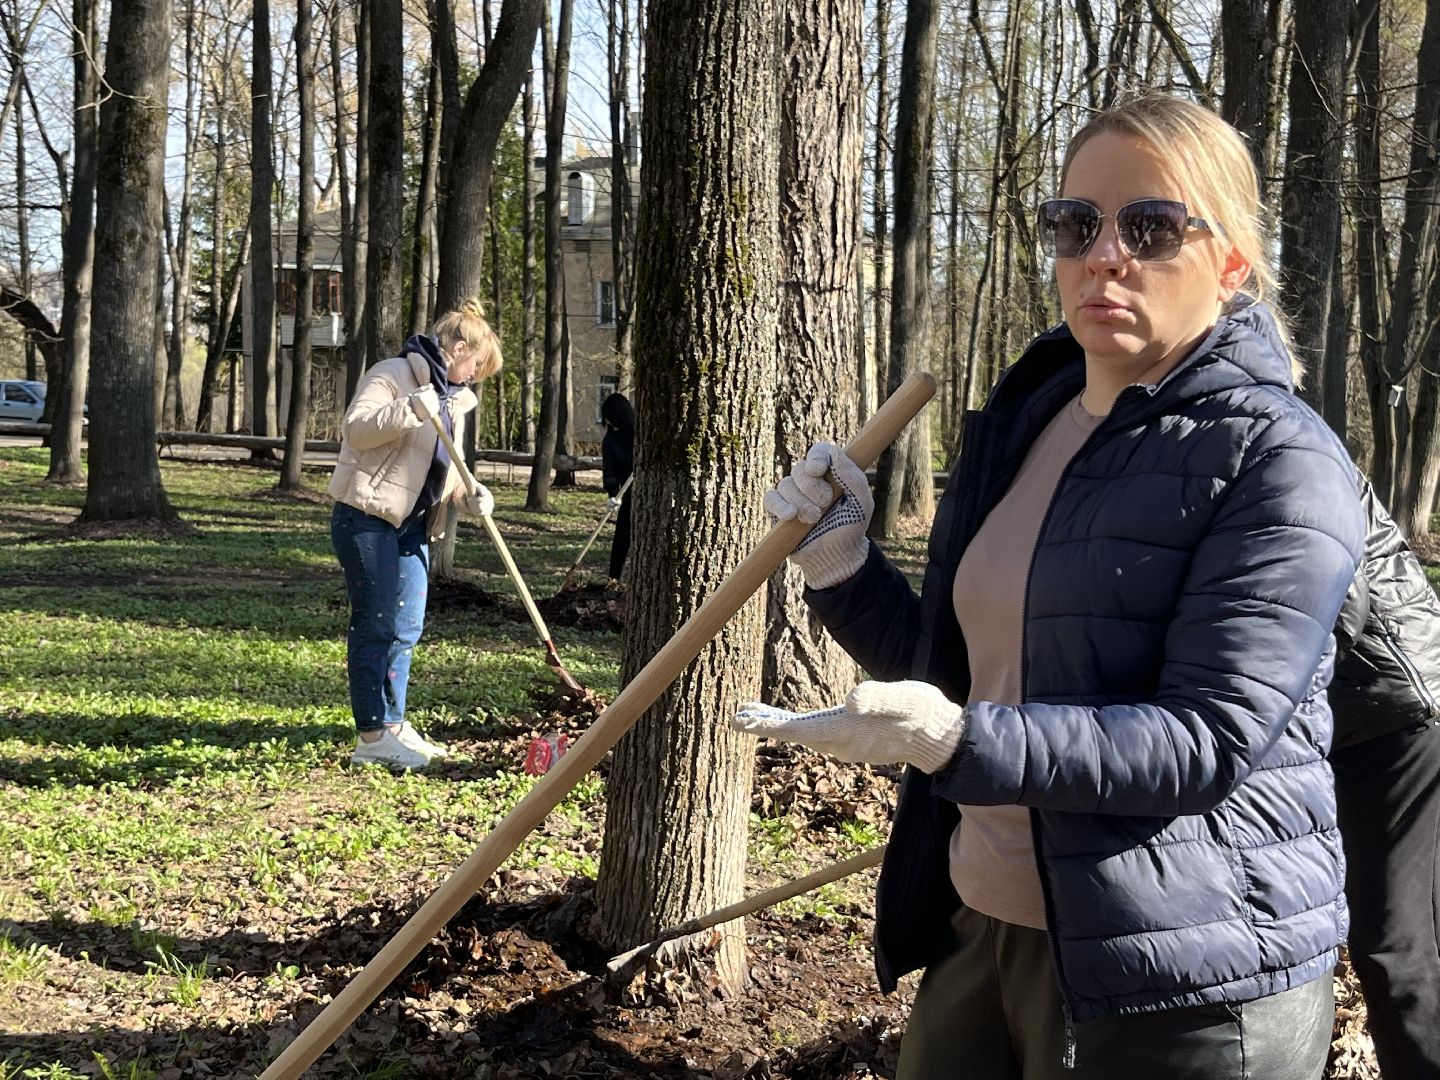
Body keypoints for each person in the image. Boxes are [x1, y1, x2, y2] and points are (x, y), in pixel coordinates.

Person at [732, 94, 1366, 1078]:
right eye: (1077, 224)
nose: (1105, 256)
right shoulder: (1029, 424)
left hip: (1186, 969)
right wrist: (840, 564)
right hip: (984, 925)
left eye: (1151, 227)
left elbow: (1209, 737)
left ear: (1232, 263)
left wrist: (954, 741)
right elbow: (965, 674)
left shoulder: (1278, 459)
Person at [327, 298, 503, 771]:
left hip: (413, 526)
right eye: (476, 365)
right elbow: (356, 430)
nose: (475, 376)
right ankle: (371, 737)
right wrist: (410, 408)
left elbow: (443, 468)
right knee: (376, 623)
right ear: (458, 349)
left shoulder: (454, 401)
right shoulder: (392, 374)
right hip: (366, 517)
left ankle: (393, 723)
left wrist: (470, 495)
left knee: (406, 627)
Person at [1329, 475, 1440, 1079]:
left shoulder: (1269, 445)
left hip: (1391, 711)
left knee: (1391, 941)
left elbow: (1330, 604)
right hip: (1390, 701)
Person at [600, 391, 635, 581]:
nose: (611, 425)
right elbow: (610, 470)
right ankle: (613, 580)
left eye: (612, 420)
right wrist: (613, 494)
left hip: (645, 494)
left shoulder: (639, 435)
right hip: (626, 496)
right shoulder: (610, 440)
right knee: (621, 540)